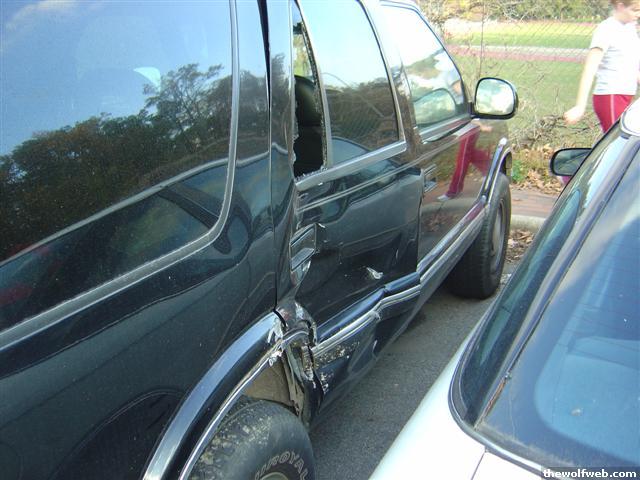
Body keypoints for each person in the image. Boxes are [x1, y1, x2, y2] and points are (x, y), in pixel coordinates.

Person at [564, 0, 640, 132]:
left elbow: (630, 67)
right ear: (620, 6)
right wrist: (580, 106)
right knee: (618, 140)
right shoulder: (606, 29)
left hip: (627, 94)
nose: (638, 14)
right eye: (635, 10)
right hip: (611, 96)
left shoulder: (630, 28)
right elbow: (590, 68)